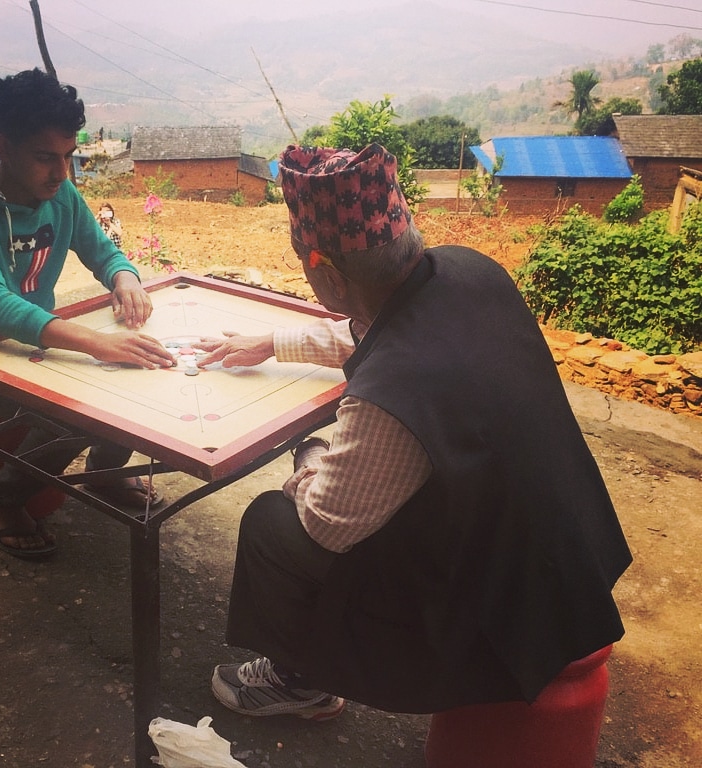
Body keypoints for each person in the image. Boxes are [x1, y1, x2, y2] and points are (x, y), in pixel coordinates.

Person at [196, 144, 632, 720]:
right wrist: (275, 343)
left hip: (495, 614)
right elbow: (383, 333)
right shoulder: (468, 273)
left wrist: (311, 459)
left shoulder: (392, 393)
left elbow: (327, 523)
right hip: (567, 555)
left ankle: (302, 680)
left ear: (325, 272)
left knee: (272, 524)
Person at [0, 68, 175, 559]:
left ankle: (104, 475)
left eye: (68, 156)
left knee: (137, 375)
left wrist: (125, 279)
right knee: (77, 411)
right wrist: (96, 342)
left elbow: (103, 251)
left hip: (35, 349)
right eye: (46, 158)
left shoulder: (61, 194)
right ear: (3, 146)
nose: (62, 173)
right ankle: (0, 497)